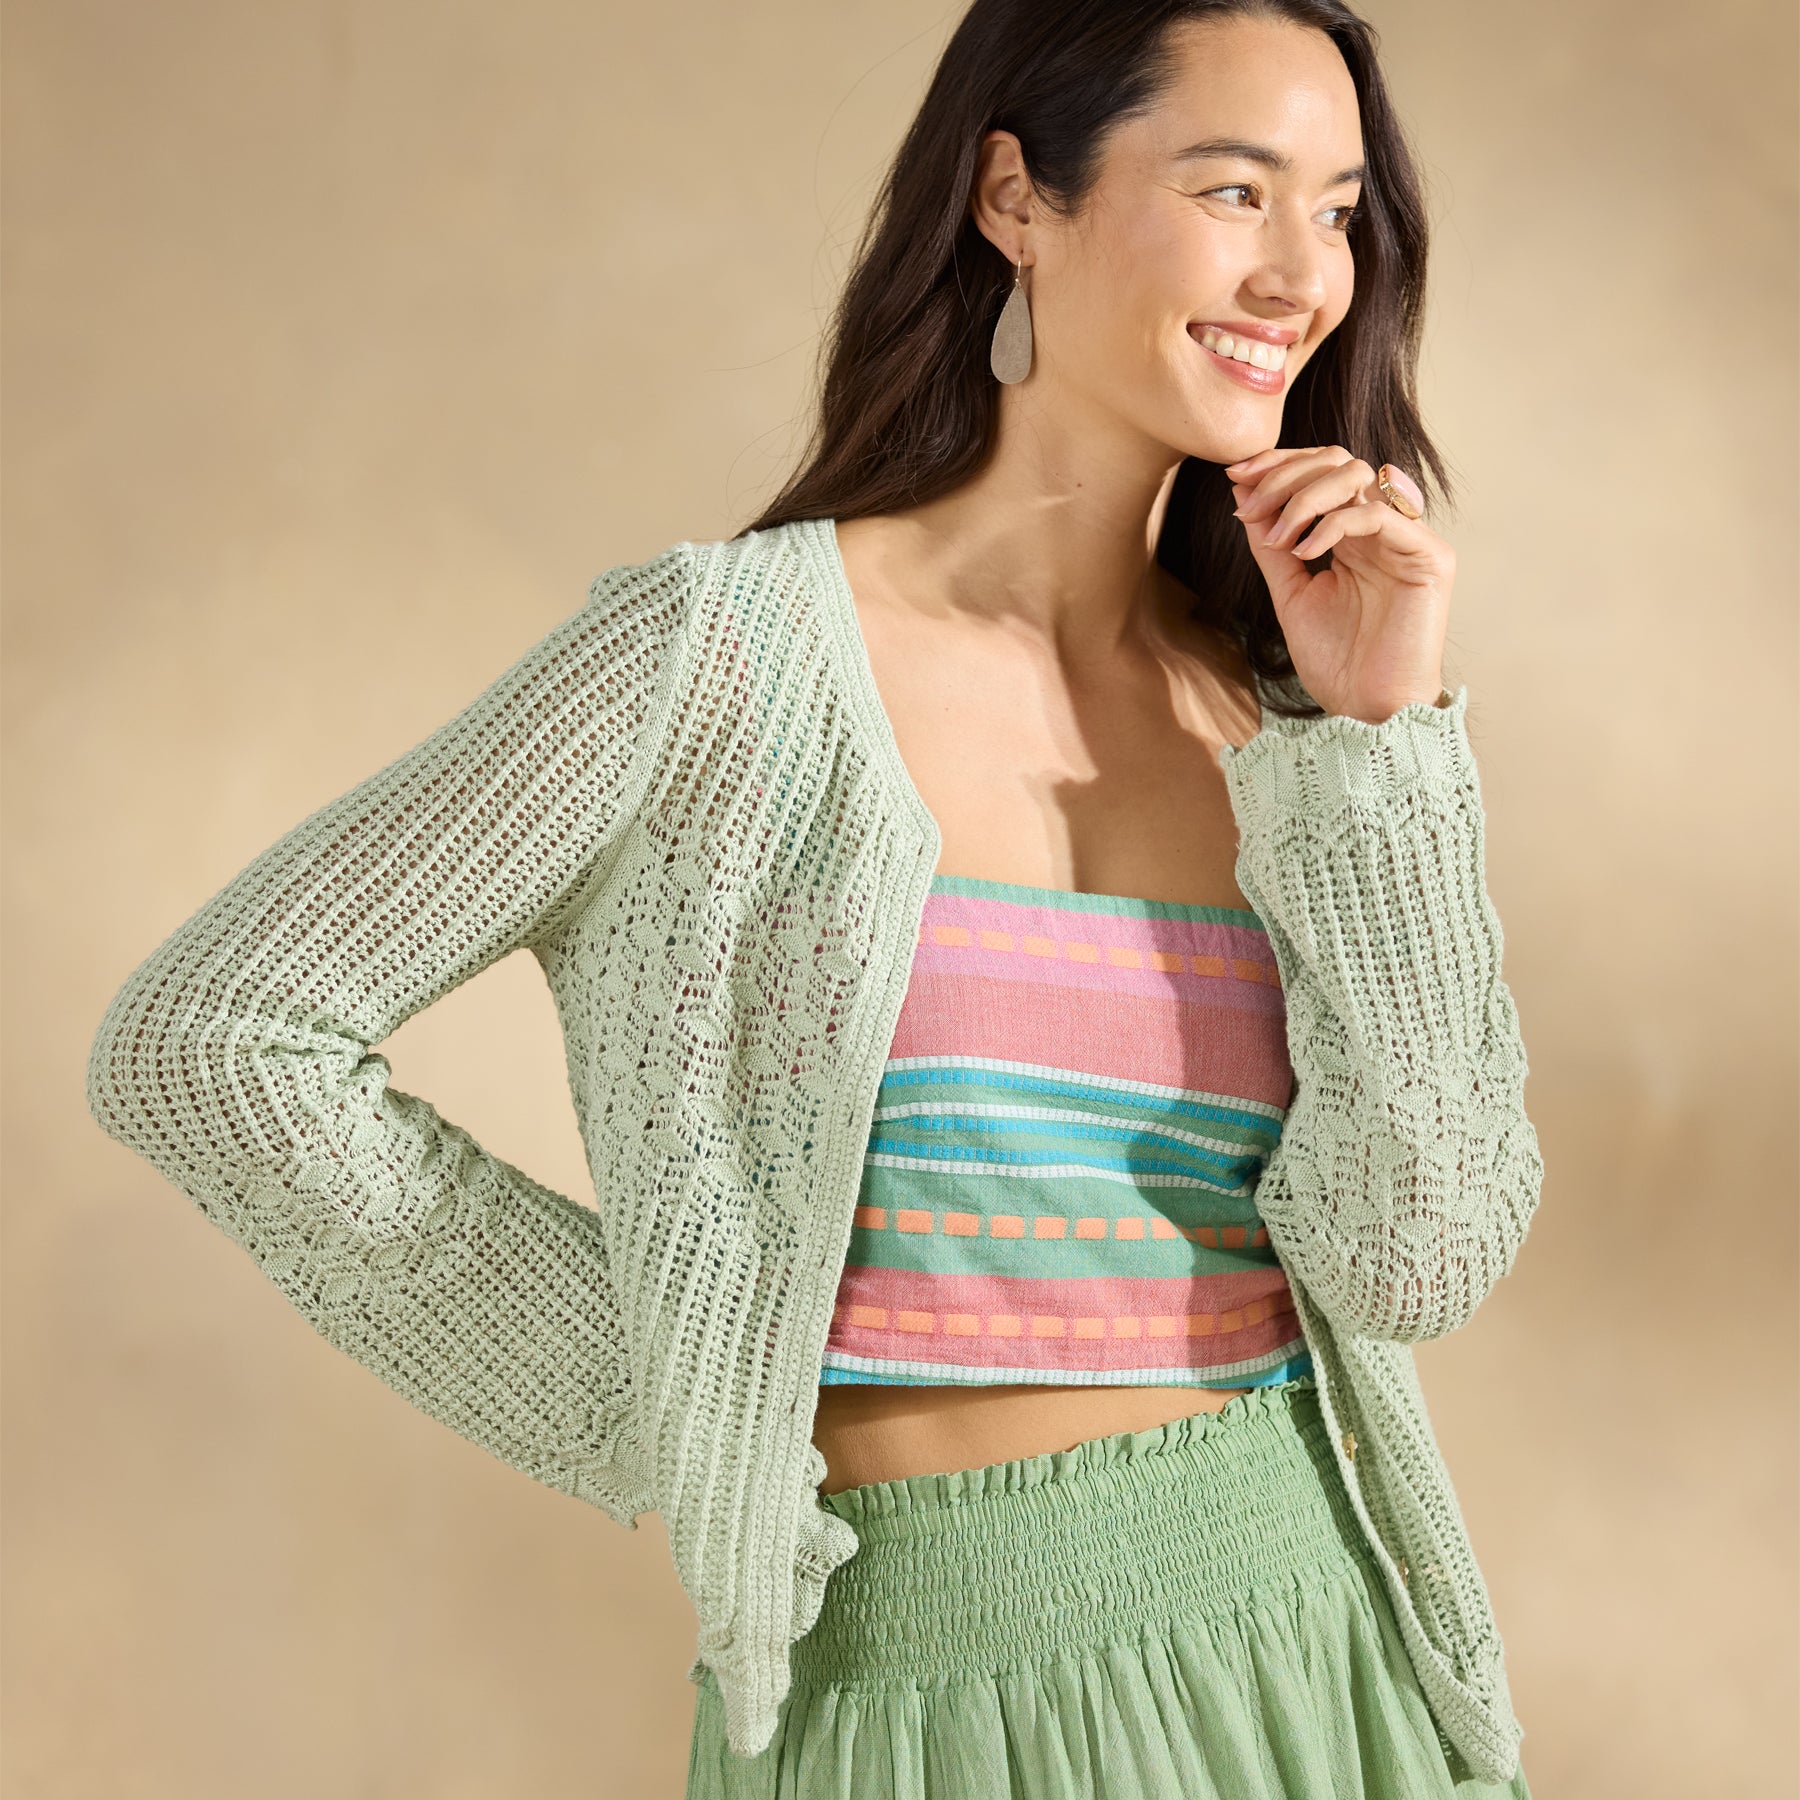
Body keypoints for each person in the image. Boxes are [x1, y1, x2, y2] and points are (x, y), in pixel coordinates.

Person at [85, 1, 1546, 1795]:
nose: (1300, 275)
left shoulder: (1299, 725)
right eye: (1233, 190)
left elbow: (1418, 1256)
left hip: (1315, 1663)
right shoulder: (718, 665)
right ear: (1014, 197)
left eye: (1338, 212)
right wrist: (686, 1374)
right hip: (901, 1698)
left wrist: (1384, 745)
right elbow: (212, 1041)